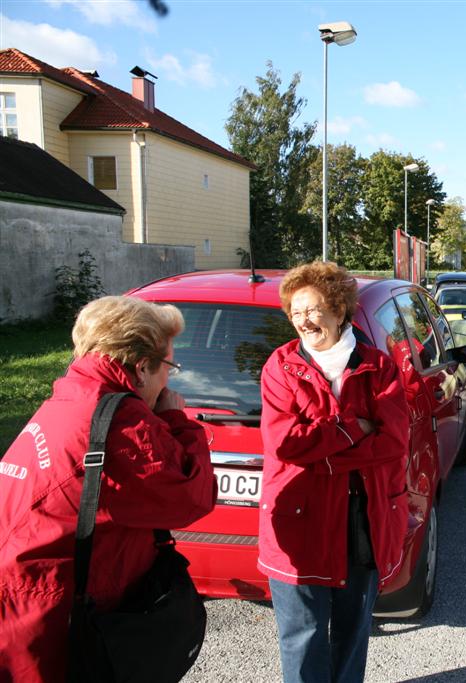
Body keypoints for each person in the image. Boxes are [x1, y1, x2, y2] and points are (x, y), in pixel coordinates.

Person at [0, 296, 216, 683]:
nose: (169, 379)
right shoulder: (120, 420)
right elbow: (192, 496)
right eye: (169, 366)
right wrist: (175, 420)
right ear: (140, 368)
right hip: (55, 619)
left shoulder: (72, 395)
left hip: (28, 600)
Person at [260, 261, 410, 683]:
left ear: (340, 310)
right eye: (295, 312)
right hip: (299, 524)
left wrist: (322, 452)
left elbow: (395, 440)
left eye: (313, 309)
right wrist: (354, 429)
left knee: (352, 631)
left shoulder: (377, 366)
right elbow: (285, 444)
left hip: (362, 520)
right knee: (302, 637)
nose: (304, 320)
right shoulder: (280, 367)